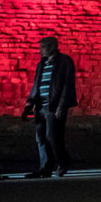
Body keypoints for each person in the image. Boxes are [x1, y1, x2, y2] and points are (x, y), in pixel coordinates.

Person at [21, 36, 77, 178]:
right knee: (40, 137)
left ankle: (63, 162)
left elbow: (67, 86)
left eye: (43, 47)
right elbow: (36, 85)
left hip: (54, 106)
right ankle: (45, 168)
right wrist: (29, 104)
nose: (40, 50)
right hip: (41, 106)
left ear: (52, 47)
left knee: (53, 137)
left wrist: (61, 107)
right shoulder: (42, 64)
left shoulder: (65, 62)